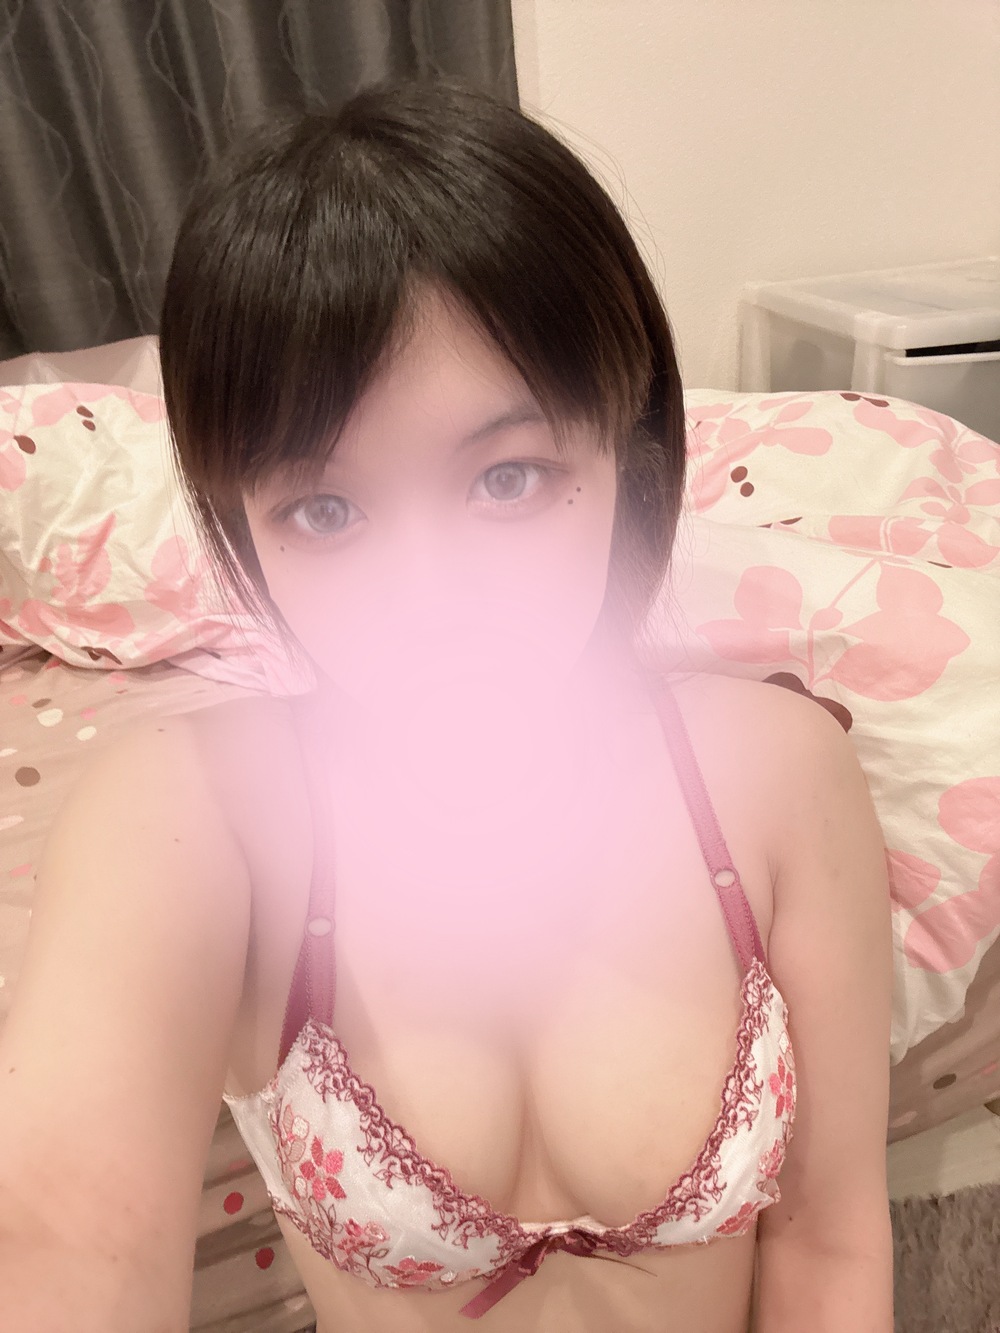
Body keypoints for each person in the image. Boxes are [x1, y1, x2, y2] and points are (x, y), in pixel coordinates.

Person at [0, 79, 894, 1332]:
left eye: (507, 478)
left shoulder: (775, 771)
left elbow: (828, 1239)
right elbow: (59, 1234)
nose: (429, 603)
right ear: (246, 530)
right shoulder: (185, 811)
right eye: (325, 509)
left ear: (625, 447)